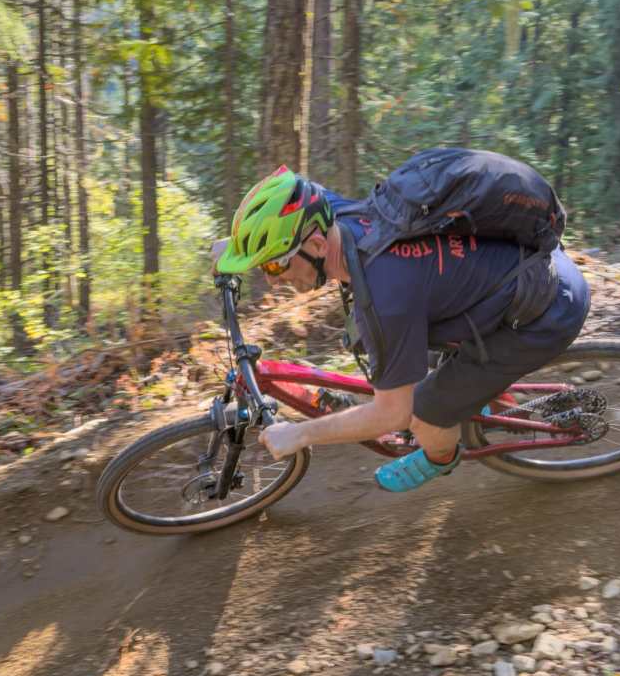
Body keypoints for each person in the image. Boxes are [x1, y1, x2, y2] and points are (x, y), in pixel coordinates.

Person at [212, 164, 590, 492]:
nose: (273, 281)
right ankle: (481, 391)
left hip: (546, 313)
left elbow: (391, 415)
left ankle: (440, 457)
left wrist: (299, 433)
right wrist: (237, 251)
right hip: (527, 263)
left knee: (421, 410)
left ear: (314, 243)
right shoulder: (335, 217)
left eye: (276, 266)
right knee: (418, 359)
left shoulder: (384, 298)